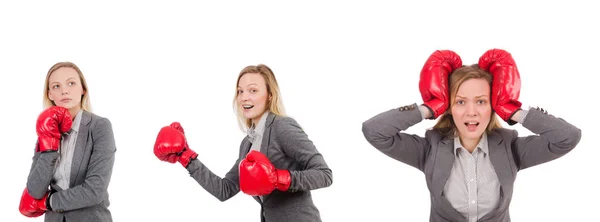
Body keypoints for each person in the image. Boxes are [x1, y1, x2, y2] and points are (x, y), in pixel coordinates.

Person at [361, 49, 581, 222]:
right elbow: (375, 131)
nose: (471, 111)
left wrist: (514, 111)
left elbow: (568, 137)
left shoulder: (510, 147)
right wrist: (428, 107)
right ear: (448, 106)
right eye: (460, 101)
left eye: (481, 101)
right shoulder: (430, 148)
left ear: (493, 104)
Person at [153, 64, 333, 222]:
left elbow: (324, 174)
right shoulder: (247, 144)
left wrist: (279, 178)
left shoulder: (282, 127)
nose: (244, 97)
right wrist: (186, 157)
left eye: (253, 90)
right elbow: (225, 189)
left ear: (270, 95)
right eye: (240, 91)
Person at [19, 62, 117, 222]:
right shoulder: (46, 131)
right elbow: (35, 190)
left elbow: (95, 191)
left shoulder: (99, 126)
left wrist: (49, 202)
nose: (64, 90)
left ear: (82, 89)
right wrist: (49, 147)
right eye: (56, 86)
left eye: (71, 83)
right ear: (50, 94)